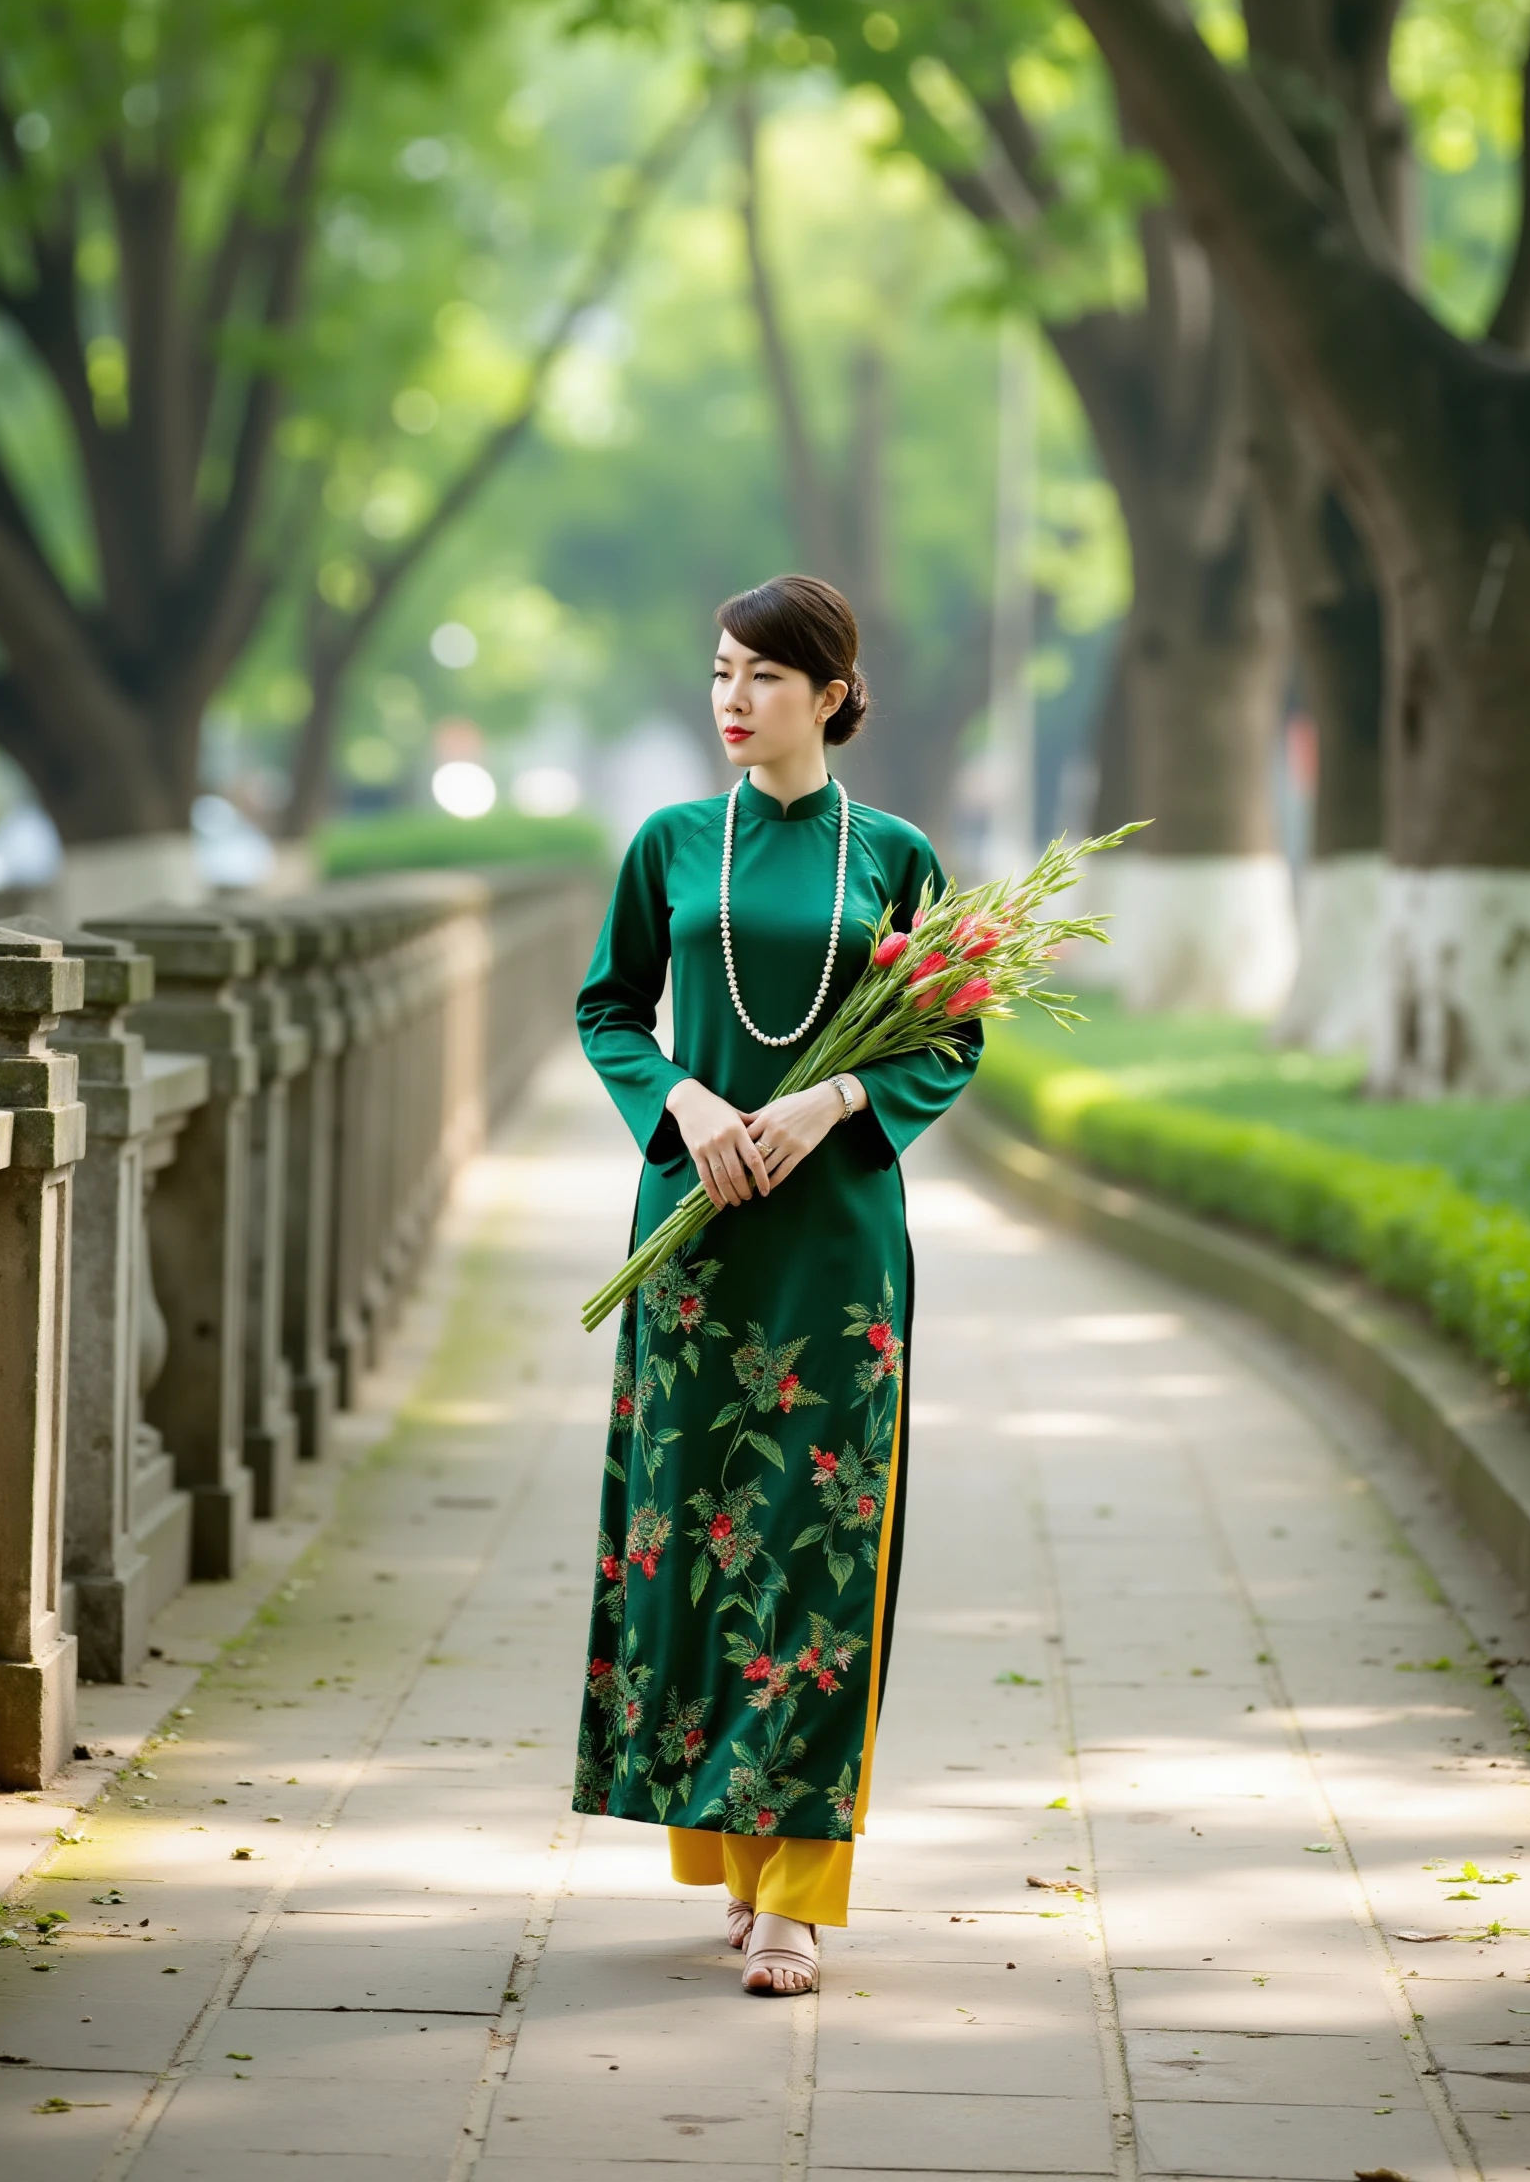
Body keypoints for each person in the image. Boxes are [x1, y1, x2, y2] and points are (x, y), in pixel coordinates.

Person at [572, 573, 983, 1996]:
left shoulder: (901, 856)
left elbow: (953, 1032)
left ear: (829, 693)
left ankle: (799, 1889)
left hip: (836, 1242)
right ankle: (728, 1859)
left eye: (760, 677)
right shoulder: (673, 844)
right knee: (697, 1534)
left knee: (816, 1538)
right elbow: (607, 1006)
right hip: (697, 1233)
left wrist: (837, 1100)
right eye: (718, 673)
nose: (731, 701)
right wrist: (680, 1102)